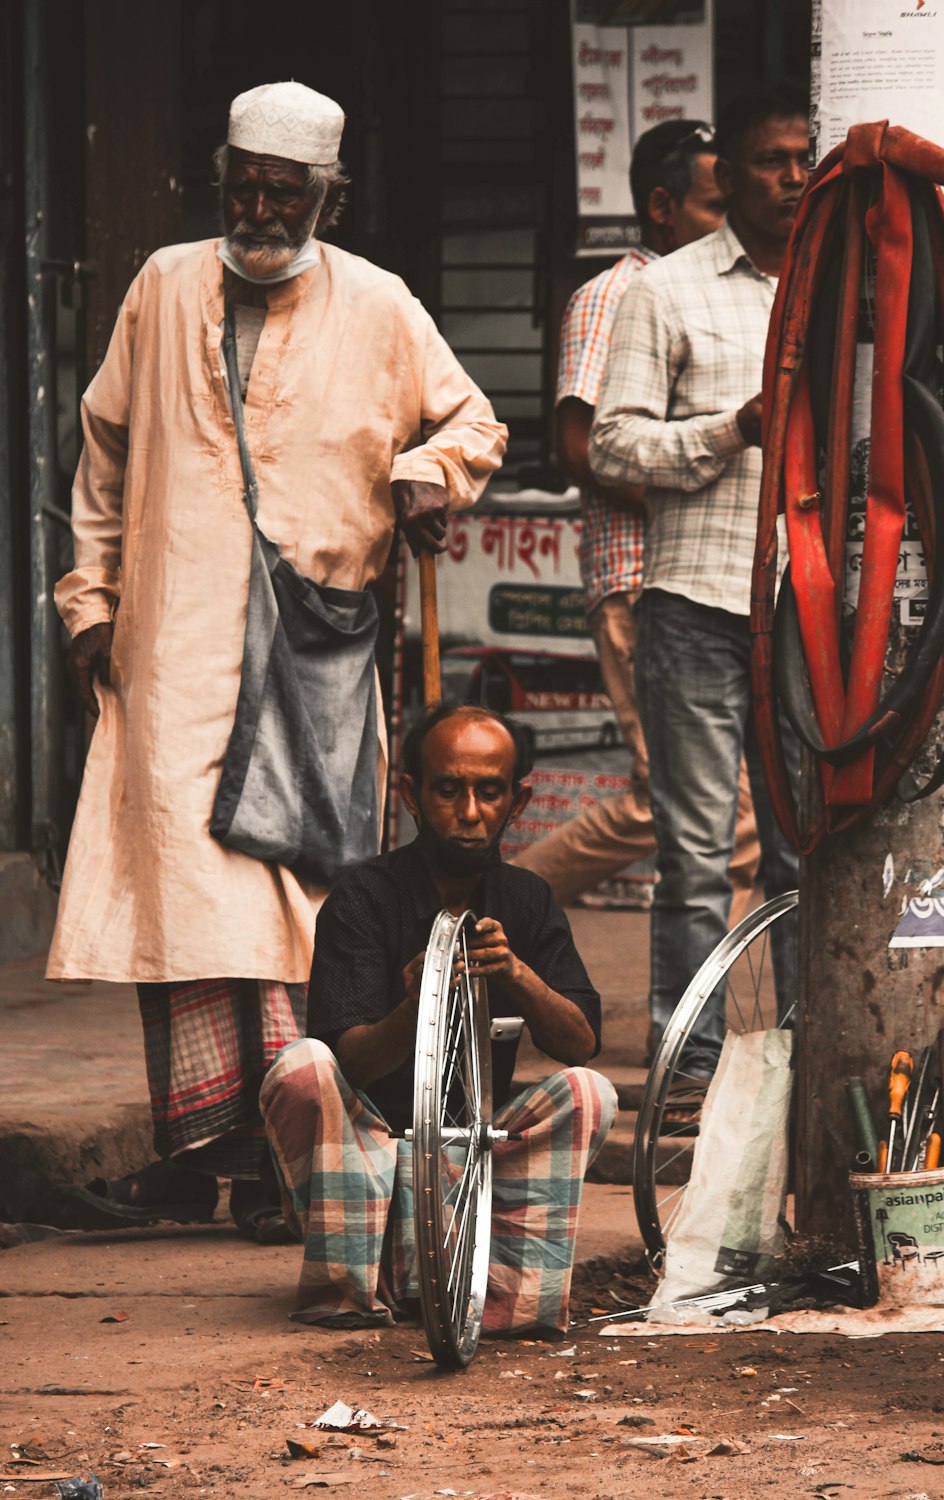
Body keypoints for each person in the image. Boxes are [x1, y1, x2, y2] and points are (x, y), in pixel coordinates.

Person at [47, 82, 507, 1238]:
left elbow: (474, 425)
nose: (260, 207)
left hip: (314, 654)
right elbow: (102, 452)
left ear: (324, 197)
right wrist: (87, 597)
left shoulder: (382, 304)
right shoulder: (162, 284)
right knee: (183, 894)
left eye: (283, 192)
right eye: (243, 187)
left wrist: (425, 478)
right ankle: (198, 1145)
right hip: (171, 648)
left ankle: (283, 1154)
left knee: (294, 900)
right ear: (222, 183)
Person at [589, 84, 808, 1113]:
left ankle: (811, 1056)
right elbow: (610, 442)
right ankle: (688, 1072)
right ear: (726, 175)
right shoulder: (664, 291)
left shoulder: (837, 285)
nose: (792, 175)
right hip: (696, 603)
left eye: (805, 156)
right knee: (692, 852)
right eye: (771, 159)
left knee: (806, 848)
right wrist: (732, 429)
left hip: (809, 614)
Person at [259, 704, 617, 1333]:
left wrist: (517, 974)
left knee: (589, 1093)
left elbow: (580, 1043)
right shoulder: (363, 897)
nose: (471, 813)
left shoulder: (528, 900)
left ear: (520, 799)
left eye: (489, 792)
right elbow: (351, 1065)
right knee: (301, 1067)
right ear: (412, 795)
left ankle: (509, 1301)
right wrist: (416, 1006)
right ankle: (352, 1290)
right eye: (449, 790)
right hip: (365, 1152)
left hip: (471, 1152)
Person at [511, 121, 760, 931]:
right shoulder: (615, 293)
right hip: (642, 575)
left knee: (698, 804)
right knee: (693, 805)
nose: (736, 220)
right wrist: (689, 496)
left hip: (718, 585)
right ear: (662, 207)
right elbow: (583, 446)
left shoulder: (736, 286)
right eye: (717, 204)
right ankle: (492, 906)